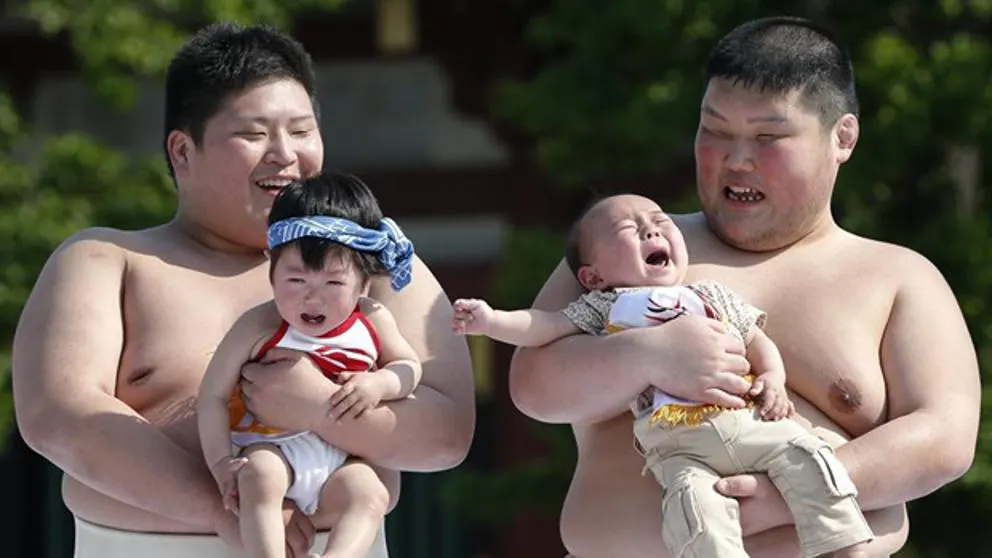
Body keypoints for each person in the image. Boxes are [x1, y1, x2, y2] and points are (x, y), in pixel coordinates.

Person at [508, 16, 980, 558]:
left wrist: (789, 491)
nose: (735, 159)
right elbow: (533, 385)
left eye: (767, 137)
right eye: (714, 130)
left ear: (842, 137)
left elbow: (945, 435)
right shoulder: (630, 250)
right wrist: (647, 355)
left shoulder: (898, 276)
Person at [11, 22, 474, 558]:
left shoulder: (371, 262)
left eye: (301, 131)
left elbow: (447, 433)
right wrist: (224, 508)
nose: (284, 154)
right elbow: (59, 416)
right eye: (254, 135)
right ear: (182, 151)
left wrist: (321, 407)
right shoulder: (105, 261)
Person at [453, 193, 872, 558]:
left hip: (745, 420)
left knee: (807, 454)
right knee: (694, 509)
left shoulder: (707, 294)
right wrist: (491, 321)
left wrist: (774, 378)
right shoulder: (606, 307)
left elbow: (754, 338)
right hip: (677, 444)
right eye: (629, 228)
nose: (651, 232)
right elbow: (542, 326)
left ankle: (849, 543)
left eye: (659, 223)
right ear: (592, 276)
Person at [199, 172, 423, 558]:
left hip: (342, 457)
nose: (312, 299)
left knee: (371, 495)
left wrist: (379, 385)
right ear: (270, 269)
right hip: (270, 446)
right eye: (296, 280)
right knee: (258, 477)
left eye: (333, 284)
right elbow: (213, 396)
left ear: (365, 284)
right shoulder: (258, 325)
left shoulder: (373, 319)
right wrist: (221, 463)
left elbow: (408, 366)